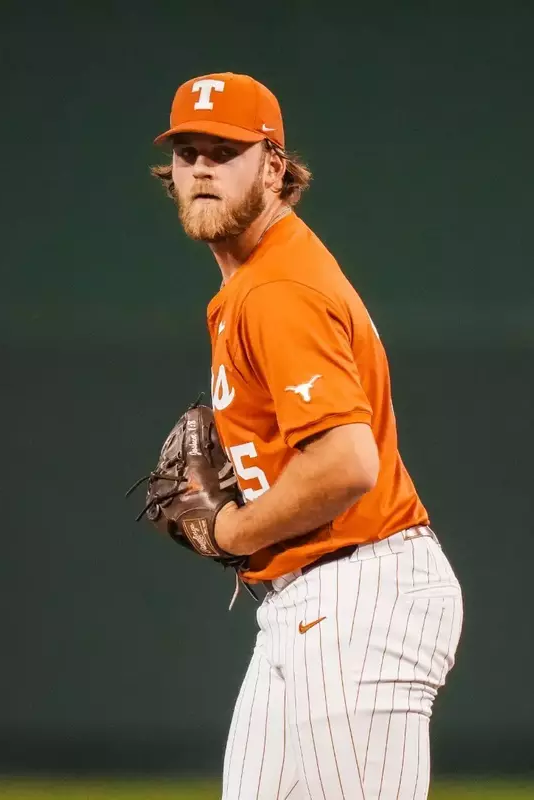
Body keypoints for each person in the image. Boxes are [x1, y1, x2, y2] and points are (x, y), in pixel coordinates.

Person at [151, 71, 463, 800]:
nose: (201, 167)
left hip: (360, 592)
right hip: (306, 602)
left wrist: (229, 532)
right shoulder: (251, 283)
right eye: (188, 151)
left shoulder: (277, 288)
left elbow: (348, 463)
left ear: (275, 167)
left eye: (224, 150)